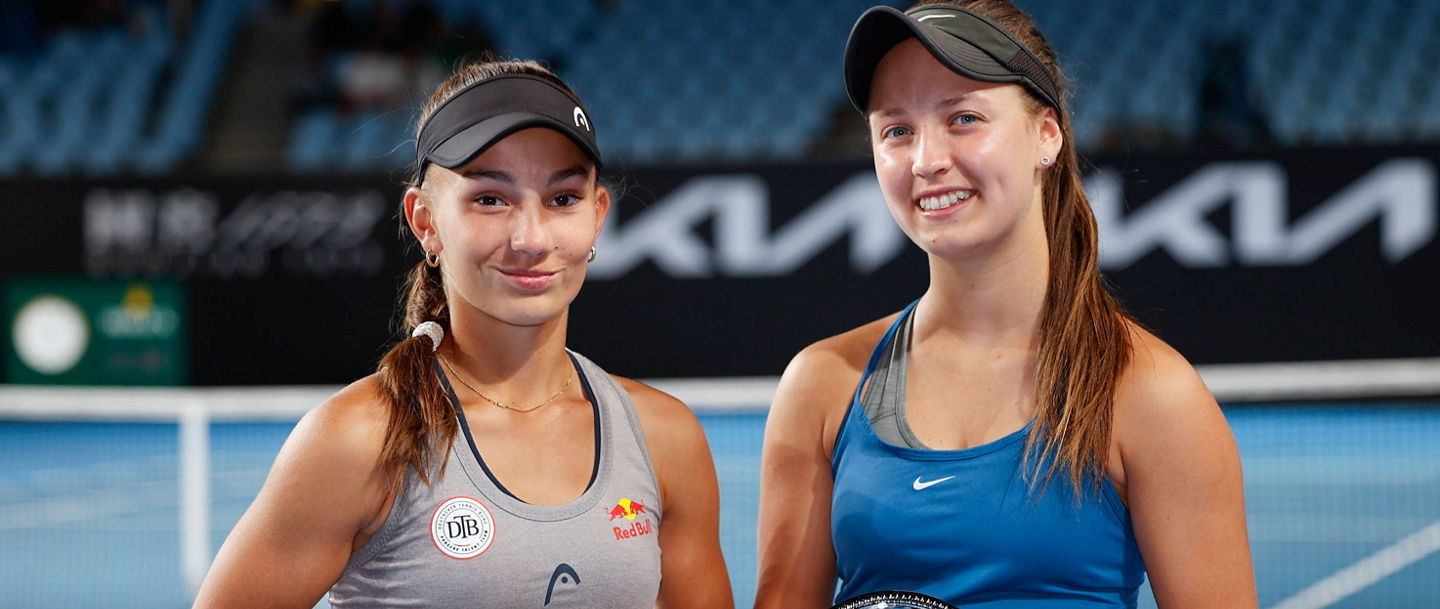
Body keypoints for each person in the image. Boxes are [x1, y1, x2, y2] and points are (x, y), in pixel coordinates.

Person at [753, 2, 1256, 608]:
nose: (926, 161)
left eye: (963, 118)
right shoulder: (821, 386)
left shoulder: (1152, 394)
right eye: (896, 130)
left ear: (1046, 134)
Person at [193, 58, 734, 609]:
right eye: (490, 199)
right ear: (425, 221)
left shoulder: (665, 438)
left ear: (598, 215)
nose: (530, 237)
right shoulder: (358, 441)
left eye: (562, 198)